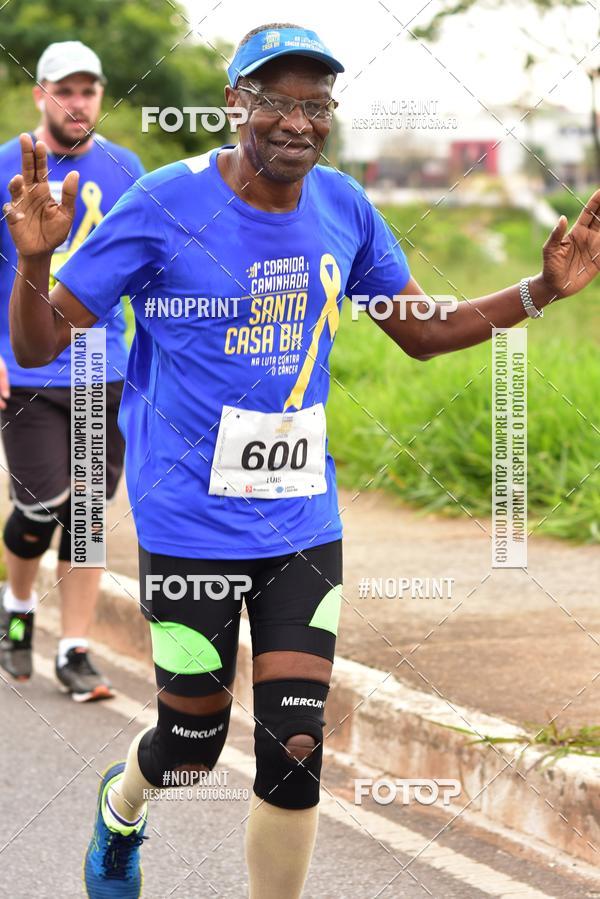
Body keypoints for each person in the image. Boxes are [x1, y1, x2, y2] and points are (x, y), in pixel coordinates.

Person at [4, 21, 600, 899]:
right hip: (190, 523)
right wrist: (34, 259)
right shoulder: (167, 203)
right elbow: (47, 334)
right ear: (233, 103)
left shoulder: (344, 207)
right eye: (277, 99)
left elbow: (422, 331)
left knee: (295, 744)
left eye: (316, 104)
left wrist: (540, 289)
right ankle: (123, 805)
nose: (299, 121)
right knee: (191, 744)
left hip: (299, 521)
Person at [0, 40, 144, 700]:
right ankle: (19, 605)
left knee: (85, 514)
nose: (78, 101)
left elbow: (146, 267)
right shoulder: (6, 163)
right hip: (23, 366)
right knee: (40, 504)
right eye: (65, 89)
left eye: (88, 90)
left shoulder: (126, 167)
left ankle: (74, 649)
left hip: (99, 362)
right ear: (41, 95)